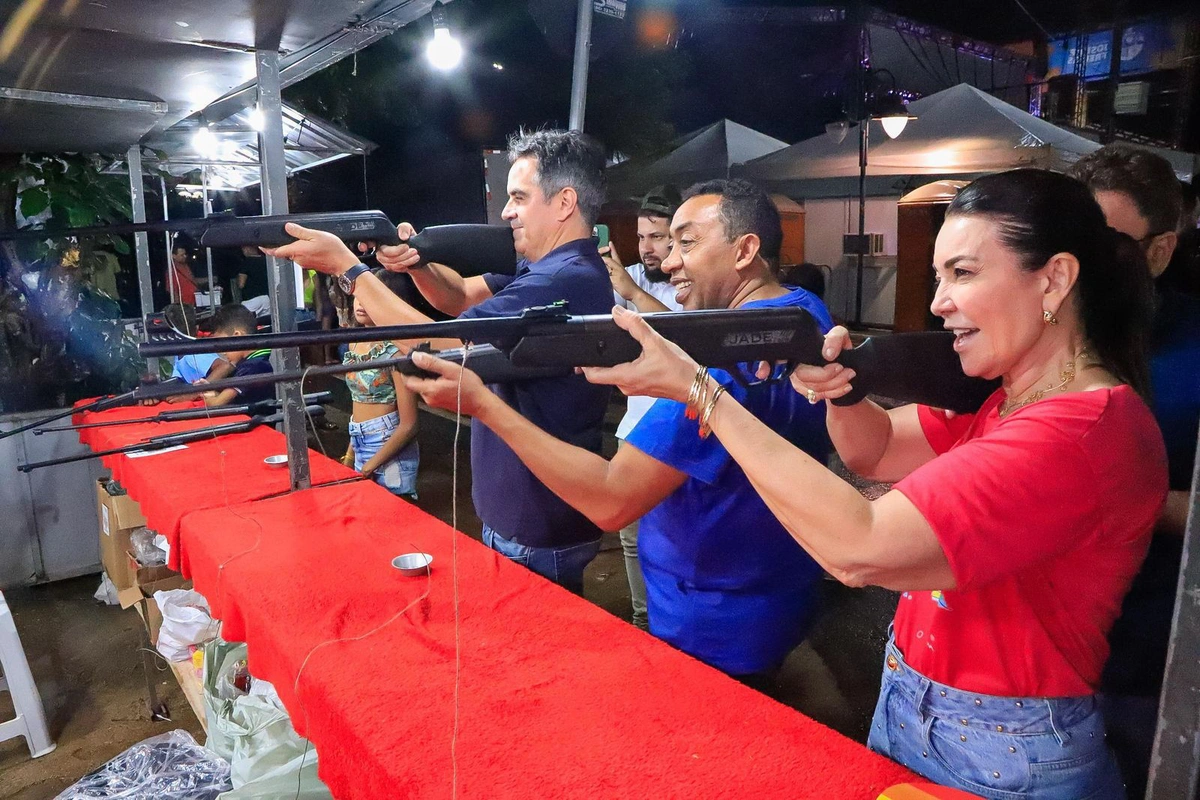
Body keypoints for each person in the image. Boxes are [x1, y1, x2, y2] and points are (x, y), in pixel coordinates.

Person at [575, 169, 1168, 798]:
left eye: (963, 274)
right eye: (941, 276)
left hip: (1004, 745)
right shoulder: (1012, 396)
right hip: (925, 704)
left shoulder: (1079, 430)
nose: (939, 301)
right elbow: (875, 449)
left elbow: (860, 548)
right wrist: (842, 388)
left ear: (1053, 280)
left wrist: (702, 391)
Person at [403, 179, 833, 688]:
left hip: (712, 618)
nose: (669, 262)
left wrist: (484, 407)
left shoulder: (727, 362)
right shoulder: (800, 311)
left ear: (746, 250)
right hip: (766, 591)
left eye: (687, 244)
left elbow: (612, 499)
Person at [263, 129, 613, 593]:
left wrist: (350, 270)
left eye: (519, 197)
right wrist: (414, 264)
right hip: (522, 508)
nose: (507, 211)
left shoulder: (564, 279)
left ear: (565, 202)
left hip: (535, 517)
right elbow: (461, 297)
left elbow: (441, 344)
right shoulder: (544, 268)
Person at [1068, 144, 1200, 796]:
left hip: (1143, 659)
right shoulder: (1051, 330)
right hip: (1043, 658)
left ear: (1159, 250)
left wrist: (1135, 501)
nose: (1078, 270)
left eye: (1107, 248)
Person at [598, 185, 684, 630]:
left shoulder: (689, 282)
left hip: (679, 428)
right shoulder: (624, 276)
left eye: (658, 236)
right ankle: (640, 618)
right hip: (635, 426)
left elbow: (676, 339)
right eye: (641, 236)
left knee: (677, 535)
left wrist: (630, 289)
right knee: (630, 534)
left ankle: (671, 624)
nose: (646, 247)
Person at [341, 269, 420, 500]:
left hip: (389, 448)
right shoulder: (355, 345)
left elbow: (410, 425)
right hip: (359, 442)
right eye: (358, 295)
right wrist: (350, 455)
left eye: (371, 297)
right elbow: (357, 406)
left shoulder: (397, 349)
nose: (361, 304)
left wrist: (367, 468)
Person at [202, 305, 273, 407]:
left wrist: (207, 397)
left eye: (222, 344)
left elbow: (216, 404)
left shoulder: (253, 367)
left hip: (252, 421)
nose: (222, 352)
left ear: (237, 336)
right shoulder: (255, 361)